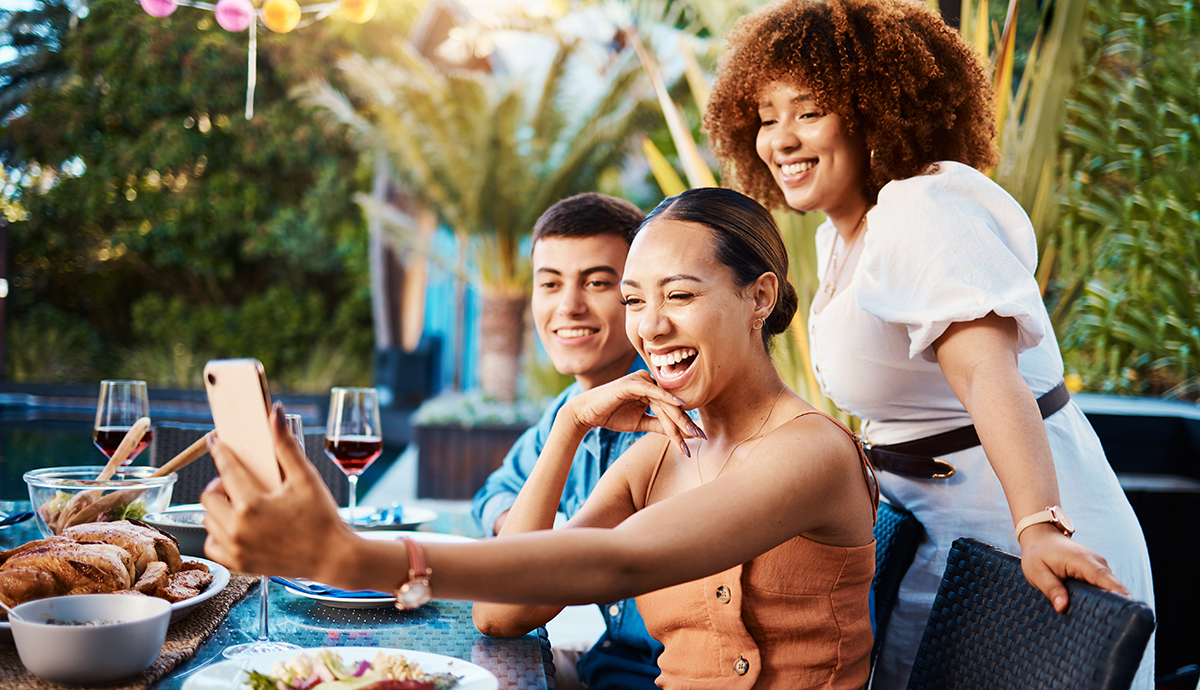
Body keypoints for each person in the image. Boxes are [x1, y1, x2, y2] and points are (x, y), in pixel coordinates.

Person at [202, 187, 880, 689]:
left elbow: (617, 562)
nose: (651, 327)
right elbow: (502, 616)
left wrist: (352, 558)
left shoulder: (811, 452)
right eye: (637, 301)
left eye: (678, 295)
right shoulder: (660, 452)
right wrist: (569, 426)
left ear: (759, 298)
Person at [701, 1, 1155, 688]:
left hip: (1018, 533)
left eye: (808, 110)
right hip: (934, 531)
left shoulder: (922, 210)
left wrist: (1040, 528)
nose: (781, 139)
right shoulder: (842, 235)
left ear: (874, 110)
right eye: (766, 117)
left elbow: (987, 377)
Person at [470, 192, 664, 690]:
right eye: (550, 284)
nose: (568, 306)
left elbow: (504, 610)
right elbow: (492, 492)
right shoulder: (568, 409)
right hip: (608, 663)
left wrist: (542, 541)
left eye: (598, 283)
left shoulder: (668, 416)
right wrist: (525, 524)